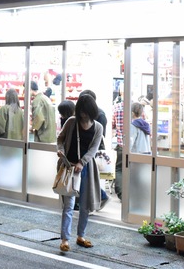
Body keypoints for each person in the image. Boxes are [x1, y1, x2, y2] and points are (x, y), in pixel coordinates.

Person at [56, 92, 103, 252]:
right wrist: (60, 150)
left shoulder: (98, 127)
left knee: (84, 206)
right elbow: (60, 138)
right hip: (69, 169)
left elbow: (93, 149)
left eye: (85, 111)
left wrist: (82, 162)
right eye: (80, 111)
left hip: (86, 170)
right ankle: (64, 239)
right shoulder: (71, 122)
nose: (82, 114)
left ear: (91, 111)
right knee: (68, 205)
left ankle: (81, 236)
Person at [111, 96, 125, 199]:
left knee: (119, 169)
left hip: (121, 144)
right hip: (134, 146)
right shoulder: (137, 107)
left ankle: (121, 194)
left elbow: (112, 125)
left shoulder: (116, 108)